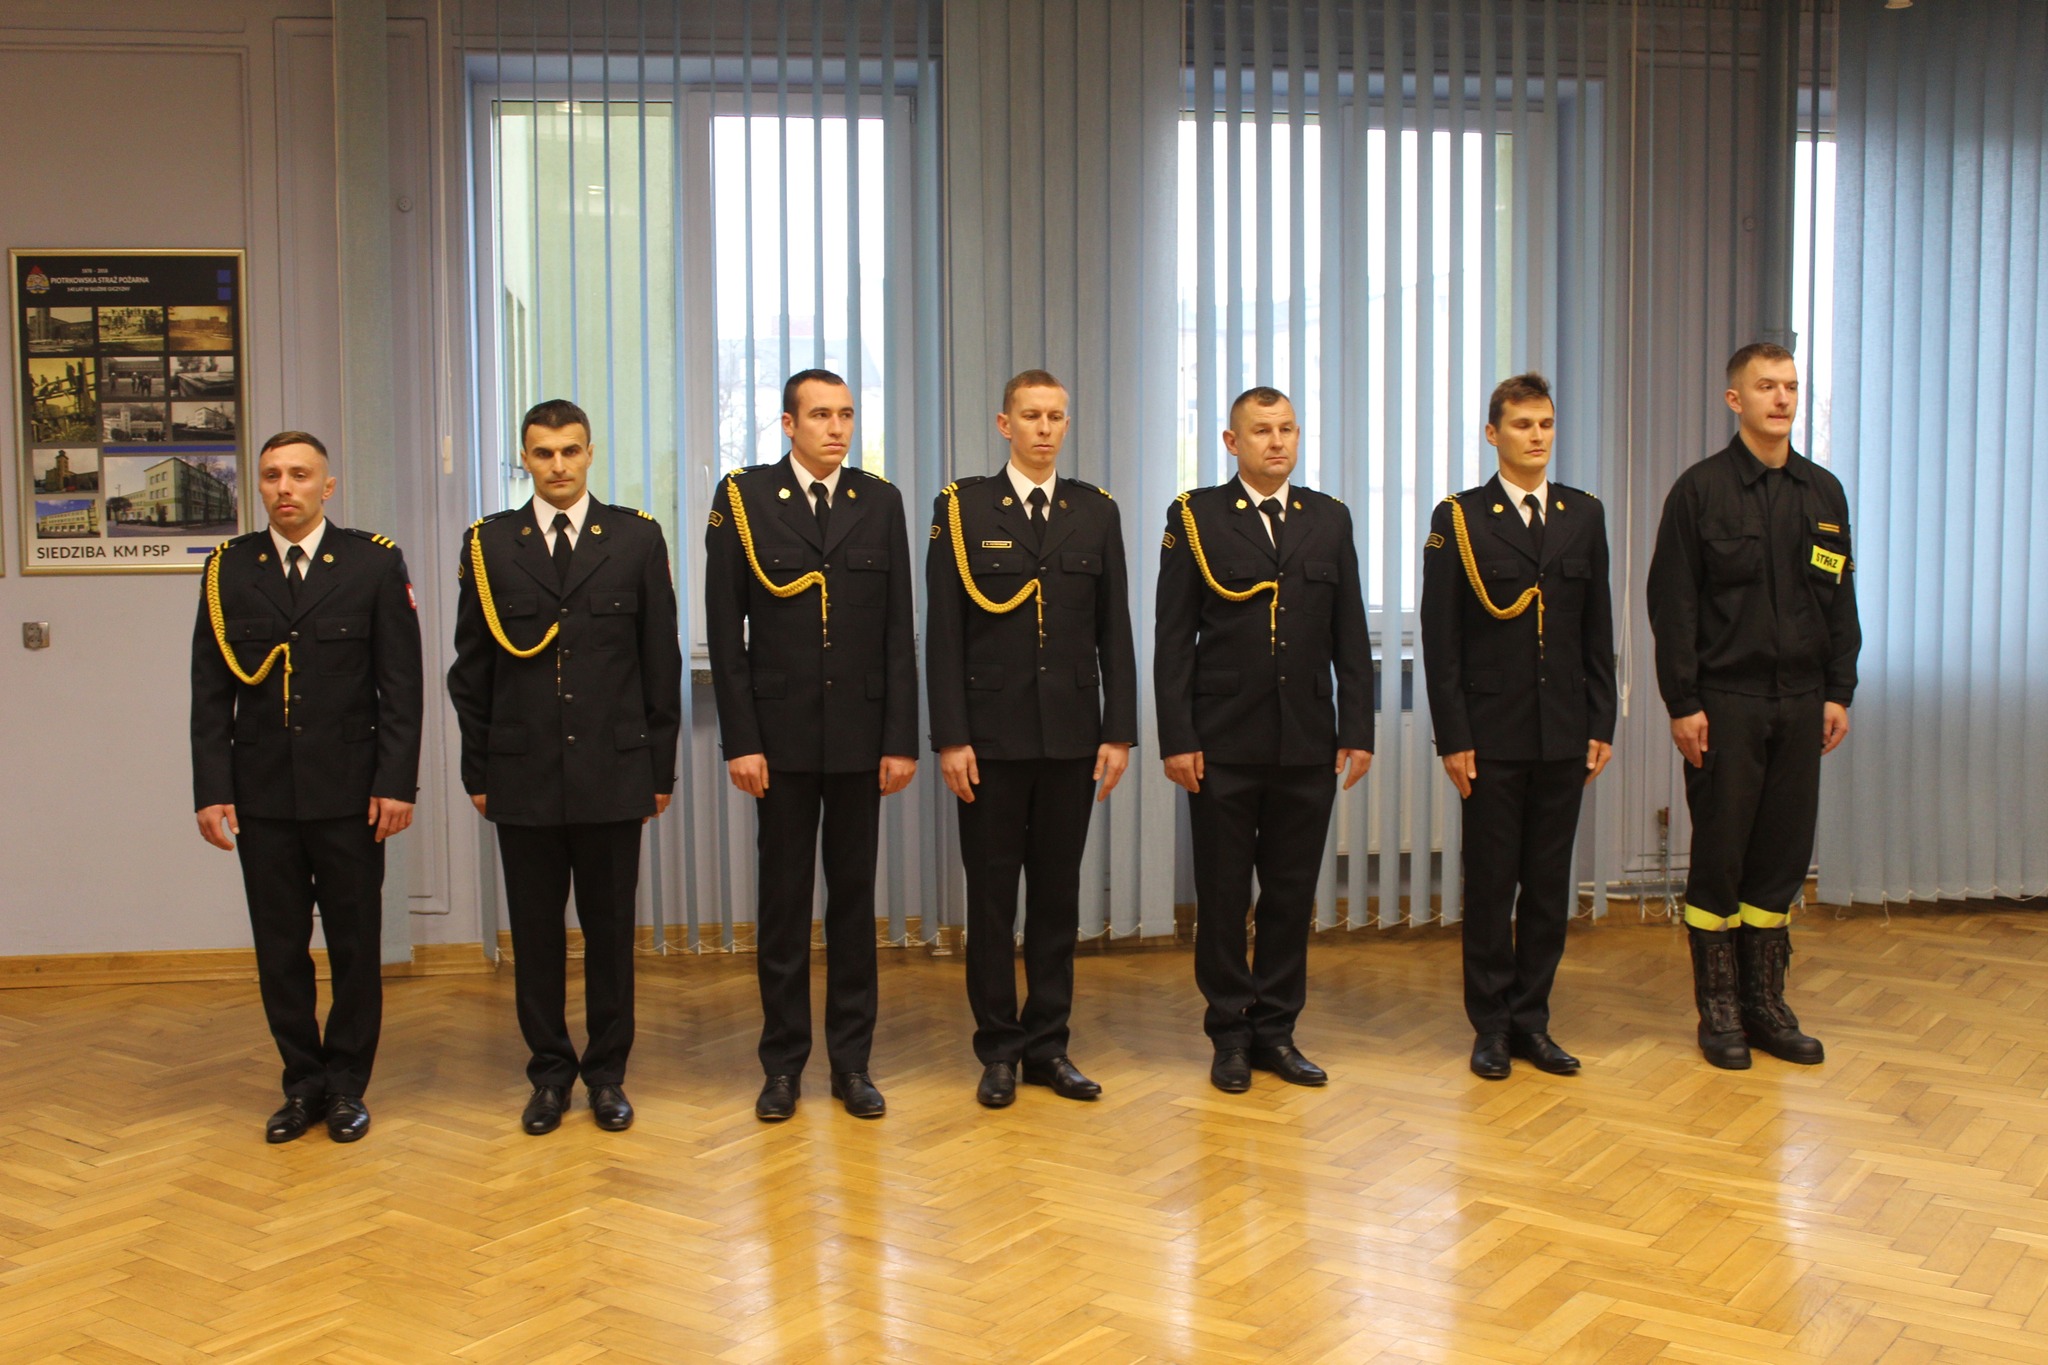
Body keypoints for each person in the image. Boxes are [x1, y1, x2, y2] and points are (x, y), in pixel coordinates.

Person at [447, 398, 683, 1133]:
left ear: (589, 454)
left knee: (611, 936)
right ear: (524, 458)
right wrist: (479, 771)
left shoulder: (635, 539)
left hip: (614, 772)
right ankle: (549, 1074)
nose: (558, 465)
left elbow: (659, 662)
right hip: (522, 775)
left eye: (570, 451)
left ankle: (607, 1075)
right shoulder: (490, 544)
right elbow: (470, 671)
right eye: (543, 453)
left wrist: (659, 771)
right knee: (536, 935)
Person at [190, 430, 423, 1143]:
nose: (284, 487)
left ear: (328, 486)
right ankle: (302, 1085)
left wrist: (396, 782)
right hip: (263, 794)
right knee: (280, 948)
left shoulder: (372, 562)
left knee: (355, 945)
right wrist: (211, 788)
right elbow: (210, 691)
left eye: (299, 474)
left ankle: (347, 1086)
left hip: (350, 793)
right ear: (258, 486)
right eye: (271, 476)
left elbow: (401, 685)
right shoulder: (229, 569)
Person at [705, 369, 918, 1122]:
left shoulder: (879, 500)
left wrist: (900, 738)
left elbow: (898, 628)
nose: (837, 428)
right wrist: (742, 739)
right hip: (781, 738)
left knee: (854, 906)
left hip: (861, 737)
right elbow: (725, 629)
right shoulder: (745, 498)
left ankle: (852, 1064)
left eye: (846, 414)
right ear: (789, 424)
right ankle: (783, 1066)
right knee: (785, 907)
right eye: (821, 414)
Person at [925, 369, 1138, 1108]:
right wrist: (951, 736)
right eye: (1031, 415)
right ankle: (998, 1049)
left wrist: (1119, 731)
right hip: (989, 740)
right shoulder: (963, 508)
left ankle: (1049, 1045)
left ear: (1066, 425)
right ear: (1004, 424)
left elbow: (1115, 627)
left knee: (1056, 899)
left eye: (1056, 417)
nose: (1045, 428)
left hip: (1072, 738)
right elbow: (943, 631)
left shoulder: (1095, 510)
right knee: (991, 902)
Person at [1154, 386, 1373, 1093]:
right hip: (1221, 740)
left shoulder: (1328, 518)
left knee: (1290, 892)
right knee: (1223, 895)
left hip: (1306, 739)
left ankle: (1277, 1029)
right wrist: (1177, 736)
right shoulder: (1196, 517)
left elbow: (1349, 631)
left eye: (1287, 429)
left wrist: (1358, 728)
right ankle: (1229, 1032)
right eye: (1261, 431)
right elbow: (1173, 638)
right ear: (1232, 442)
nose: (1277, 442)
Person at [1647, 343, 1859, 1070]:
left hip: (1801, 702)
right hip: (1726, 703)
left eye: (1790, 386)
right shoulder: (1700, 492)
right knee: (1722, 855)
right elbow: (1672, 606)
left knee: (1782, 856)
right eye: (1766, 386)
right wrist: (1683, 701)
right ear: (1735, 399)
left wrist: (1838, 690)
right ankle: (1720, 1012)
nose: (1782, 398)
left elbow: (1840, 600)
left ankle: (1766, 1005)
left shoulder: (1823, 493)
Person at [1419, 373, 1617, 1080]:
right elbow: (1441, 638)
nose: (1537, 436)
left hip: (1562, 729)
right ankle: (1492, 1026)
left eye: (1546, 423)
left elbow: (1598, 627)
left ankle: (1533, 1020)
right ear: (1492, 433)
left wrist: (1602, 720)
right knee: (1491, 883)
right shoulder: (1461, 518)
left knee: (1547, 884)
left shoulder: (1581, 514)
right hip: (1491, 734)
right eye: (1523, 424)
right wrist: (1453, 736)